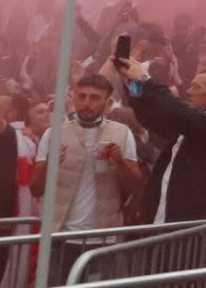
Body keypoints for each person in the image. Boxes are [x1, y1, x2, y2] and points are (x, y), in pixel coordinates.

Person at [118, 55, 206, 226]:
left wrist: (144, 79)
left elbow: (173, 108)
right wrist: (133, 83)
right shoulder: (190, 123)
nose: (188, 92)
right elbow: (148, 116)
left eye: (196, 87)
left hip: (185, 228)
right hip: (160, 219)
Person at [31, 73, 142, 235]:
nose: (86, 103)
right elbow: (35, 189)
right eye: (81, 96)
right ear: (74, 98)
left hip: (104, 237)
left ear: (107, 103)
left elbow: (135, 186)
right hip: (60, 235)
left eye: (95, 98)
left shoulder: (122, 133)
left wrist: (120, 162)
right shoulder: (53, 134)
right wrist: (50, 164)